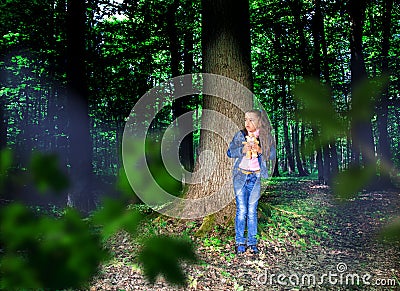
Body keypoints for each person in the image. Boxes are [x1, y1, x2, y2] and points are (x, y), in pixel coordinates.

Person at [227, 109, 275, 255]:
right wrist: (242, 149)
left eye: (251, 120)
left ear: (259, 121)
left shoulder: (265, 137)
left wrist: (260, 150)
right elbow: (229, 152)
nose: (247, 123)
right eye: (246, 119)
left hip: (255, 177)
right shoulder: (240, 135)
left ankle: (252, 243)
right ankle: (240, 242)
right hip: (240, 177)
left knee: (252, 211)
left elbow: (272, 155)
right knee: (241, 210)